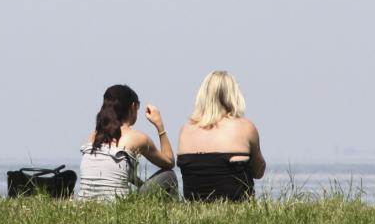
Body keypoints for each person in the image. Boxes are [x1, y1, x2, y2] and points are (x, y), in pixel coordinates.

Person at [77, 84, 177, 201]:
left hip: (85, 204)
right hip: (117, 206)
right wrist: (159, 125)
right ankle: (173, 213)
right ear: (133, 107)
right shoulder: (136, 138)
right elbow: (169, 162)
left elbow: (113, 171)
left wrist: (141, 184)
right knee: (170, 175)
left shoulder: (93, 137)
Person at [177, 71, 265, 201]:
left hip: (194, 203)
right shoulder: (245, 127)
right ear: (234, 96)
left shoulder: (185, 130)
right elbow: (258, 172)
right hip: (236, 204)